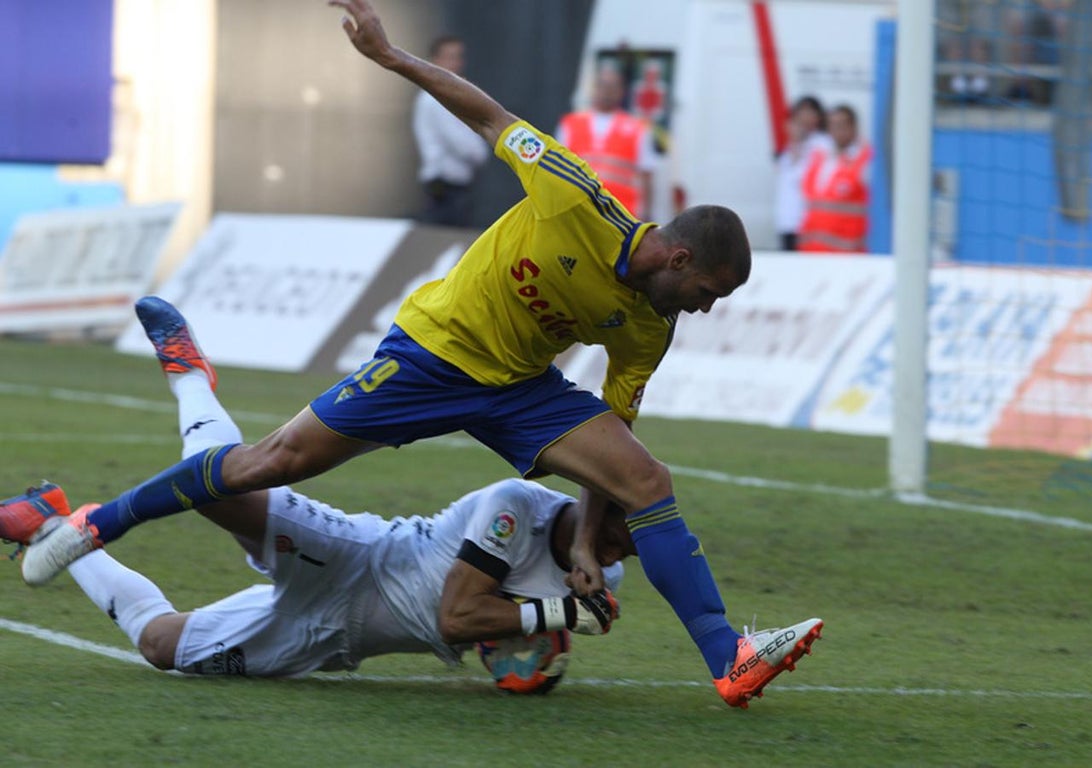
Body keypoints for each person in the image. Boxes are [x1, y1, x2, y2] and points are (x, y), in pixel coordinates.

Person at [21, 0, 822, 709]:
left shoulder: (651, 324)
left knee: (647, 478)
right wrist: (390, 56)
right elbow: (485, 114)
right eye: (710, 290)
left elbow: (614, 435)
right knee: (270, 464)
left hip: (519, 389)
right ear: (679, 260)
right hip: (436, 354)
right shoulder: (575, 197)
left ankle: (731, 658)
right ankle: (99, 524)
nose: (708, 308)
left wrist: (583, 541)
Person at [1, 306, 628, 679]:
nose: (636, 542)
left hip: (336, 637)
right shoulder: (516, 506)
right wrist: (559, 617)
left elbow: (502, 634)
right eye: (635, 523)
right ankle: (191, 374)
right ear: (600, 503)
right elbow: (456, 616)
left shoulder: (604, 577)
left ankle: (51, 523)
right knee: (213, 480)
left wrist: (530, 658)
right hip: (352, 554)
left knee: (160, 646)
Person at [556, 64, 659, 219]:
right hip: (578, 213)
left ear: (621, 91)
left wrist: (645, 218)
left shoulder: (637, 129)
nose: (606, 92)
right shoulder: (570, 124)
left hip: (621, 217)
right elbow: (558, 170)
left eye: (612, 87)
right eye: (603, 85)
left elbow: (646, 177)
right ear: (595, 88)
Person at [412, 35, 489, 227]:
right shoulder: (435, 99)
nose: (456, 63)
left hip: (457, 189)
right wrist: (481, 152)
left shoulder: (448, 97)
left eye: (458, 57)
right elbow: (464, 145)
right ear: (435, 60)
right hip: (445, 191)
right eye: (450, 57)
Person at [798, 104, 873, 254]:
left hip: (846, 254)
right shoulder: (820, 157)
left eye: (841, 125)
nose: (835, 131)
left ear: (853, 127)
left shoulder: (865, 161)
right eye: (831, 125)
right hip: (811, 250)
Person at [773, 96, 830, 251]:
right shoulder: (790, 147)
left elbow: (805, 178)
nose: (804, 118)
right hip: (787, 219)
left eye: (809, 113)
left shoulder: (823, 144)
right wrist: (795, 143)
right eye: (800, 113)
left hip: (806, 220)